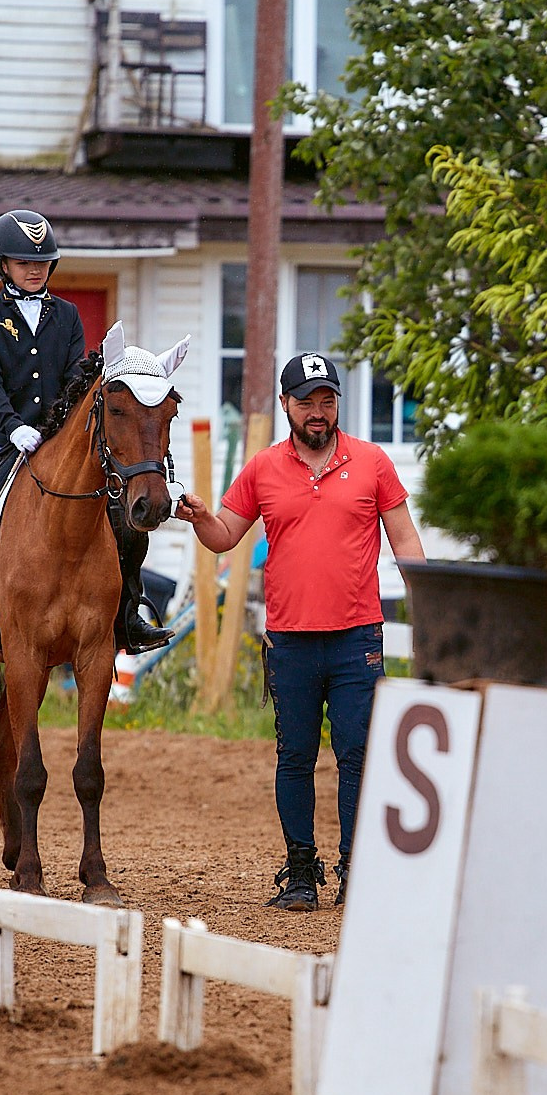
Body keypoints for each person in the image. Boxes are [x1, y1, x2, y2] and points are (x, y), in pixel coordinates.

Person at [174, 353, 426, 912]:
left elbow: (405, 540)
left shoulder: (372, 463)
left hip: (357, 638)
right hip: (288, 641)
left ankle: (359, 867)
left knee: (359, 753)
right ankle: (301, 871)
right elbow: (224, 537)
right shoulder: (263, 468)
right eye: (307, 401)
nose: (318, 411)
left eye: (327, 400)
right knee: (295, 757)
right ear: (286, 405)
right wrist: (197, 517)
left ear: (338, 403)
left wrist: (427, 606)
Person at [0, 209, 171, 655]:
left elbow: (72, 379)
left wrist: (55, 429)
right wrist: (12, 427)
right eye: (24, 262)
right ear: (1, 265)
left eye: (42, 263)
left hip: (56, 440)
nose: (34, 270)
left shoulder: (65, 316)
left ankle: (128, 615)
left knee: (121, 514)